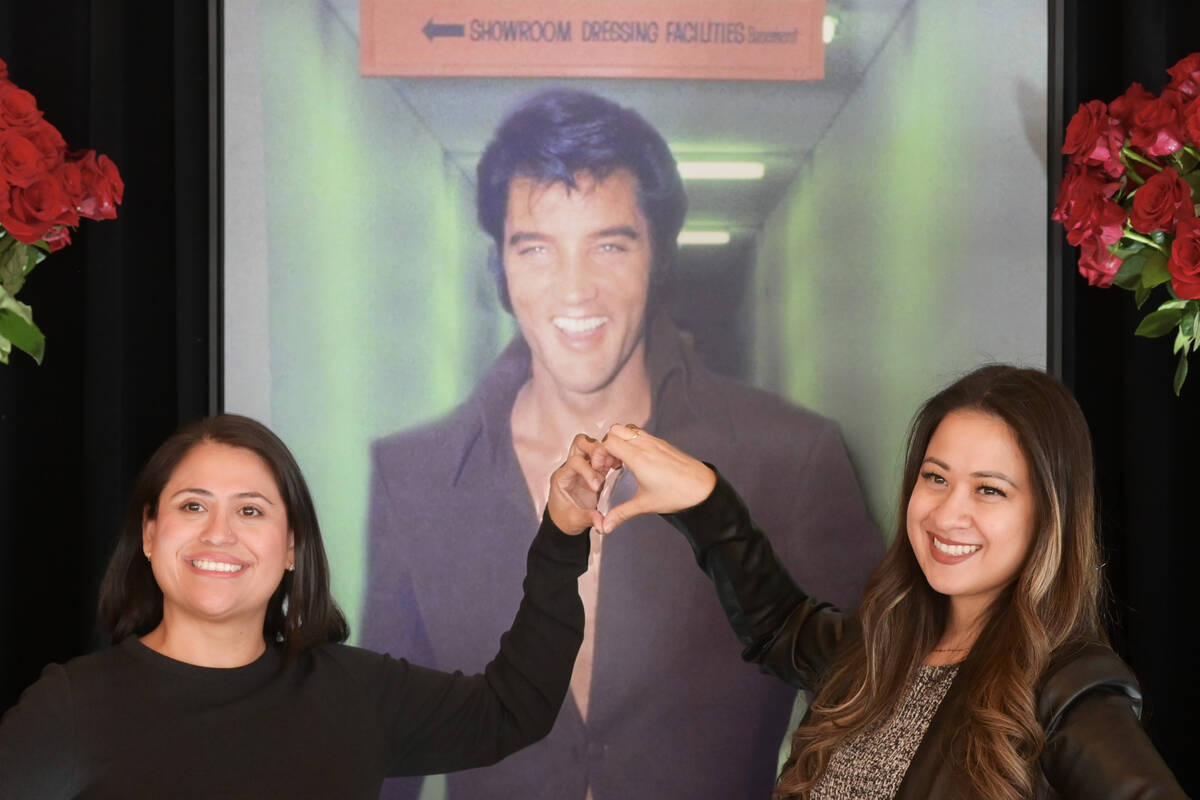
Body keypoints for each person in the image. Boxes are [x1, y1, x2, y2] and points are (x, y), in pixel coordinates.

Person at [362, 88, 883, 799]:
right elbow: (386, 757)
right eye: (537, 247)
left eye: (609, 243)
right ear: (501, 270)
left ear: (658, 256)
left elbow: (884, 718)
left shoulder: (793, 458)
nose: (575, 289)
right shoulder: (412, 476)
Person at [580, 365, 1187, 799]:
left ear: (1047, 515)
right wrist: (704, 500)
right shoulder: (881, 648)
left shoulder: (1067, 689)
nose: (948, 513)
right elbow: (778, 624)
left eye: (990, 490)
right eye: (936, 477)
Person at [0, 414, 608, 799]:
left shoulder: (358, 695)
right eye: (192, 506)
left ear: (291, 546)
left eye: (250, 510)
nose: (218, 533)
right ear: (151, 533)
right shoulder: (68, 708)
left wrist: (562, 534)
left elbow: (514, 708)